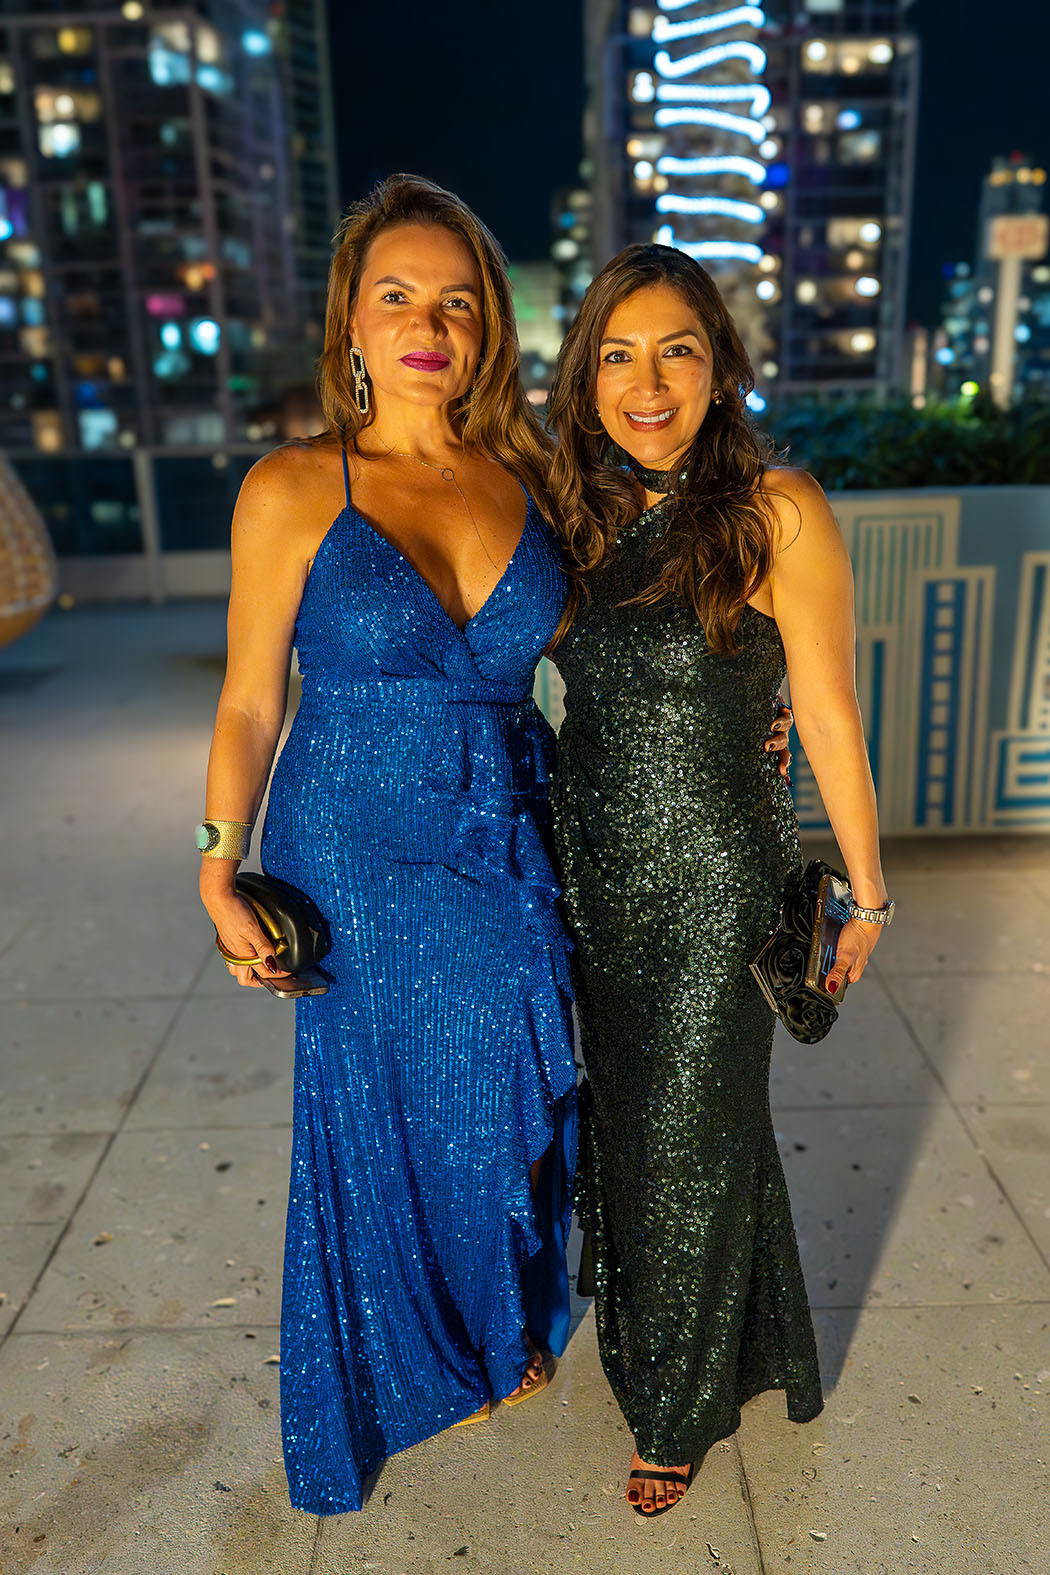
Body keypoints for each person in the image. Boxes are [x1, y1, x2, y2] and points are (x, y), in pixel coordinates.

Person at [197, 175, 579, 1513]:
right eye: (398, 296)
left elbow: (620, 645)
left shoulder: (534, 480)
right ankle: (413, 1354)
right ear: (351, 322)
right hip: (351, 838)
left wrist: (747, 712)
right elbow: (250, 699)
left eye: (457, 302)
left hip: (505, 824)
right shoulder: (295, 486)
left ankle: (494, 1315)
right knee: (378, 1104)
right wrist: (216, 863)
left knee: (497, 1072)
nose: (429, 325)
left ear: (489, 330)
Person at [545, 244, 893, 1516]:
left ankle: (677, 1407)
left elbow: (831, 714)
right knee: (636, 1124)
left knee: (693, 1130)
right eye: (619, 356)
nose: (648, 385)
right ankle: (705, 1338)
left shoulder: (777, 509)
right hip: (591, 873)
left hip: (717, 885)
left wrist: (866, 894)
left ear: (722, 366)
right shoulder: (564, 509)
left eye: (678, 352)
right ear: (585, 379)